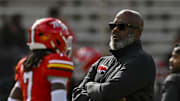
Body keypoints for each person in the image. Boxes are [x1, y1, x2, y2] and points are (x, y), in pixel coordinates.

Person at [72, 9, 156, 101]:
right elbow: (76, 95)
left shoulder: (142, 61)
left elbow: (108, 93)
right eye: (113, 25)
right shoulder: (102, 61)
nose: (115, 30)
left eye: (121, 26)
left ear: (137, 32)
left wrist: (90, 86)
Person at [7, 18, 74, 101]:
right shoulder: (55, 61)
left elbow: (13, 99)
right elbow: (58, 97)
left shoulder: (24, 63)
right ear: (55, 39)